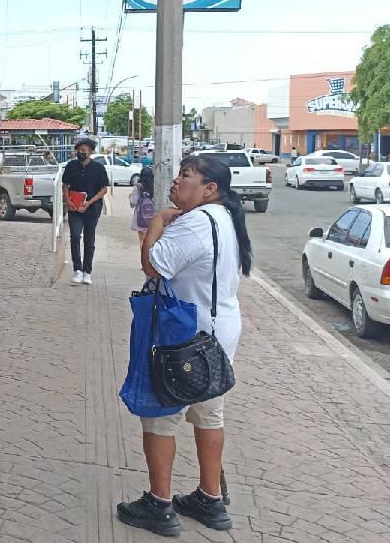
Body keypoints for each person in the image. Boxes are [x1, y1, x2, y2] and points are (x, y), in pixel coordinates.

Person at [117, 154, 253, 537]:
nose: (176, 182)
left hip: (184, 338)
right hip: (217, 336)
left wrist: (157, 221)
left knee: (161, 418)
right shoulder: (224, 219)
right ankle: (210, 499)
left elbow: (153, 265)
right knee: (210, 414)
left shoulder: (194, 223)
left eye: (186, 176)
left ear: (209, 189)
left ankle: (159, 505)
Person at [61, 138, 109, 285]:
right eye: (79, 150)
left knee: (90, 240)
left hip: (92, 209)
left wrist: (89, 202)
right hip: (74, 209)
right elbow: (65, 184)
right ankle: (77, 269)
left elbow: (104, 189)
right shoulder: (71, 166)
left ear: (91, 152)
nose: (80, 153)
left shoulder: (99, 169)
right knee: (75, 236)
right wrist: (67, 200)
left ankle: (87, 272)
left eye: (83, 150)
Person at [129, 167, 155, 245]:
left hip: (140, 216)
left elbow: (133, 202)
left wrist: (130, 197)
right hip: (152, 216)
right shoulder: (155, 186)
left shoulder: (138, 187)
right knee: (150, 240)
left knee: (142, 240)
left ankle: (143, 256)